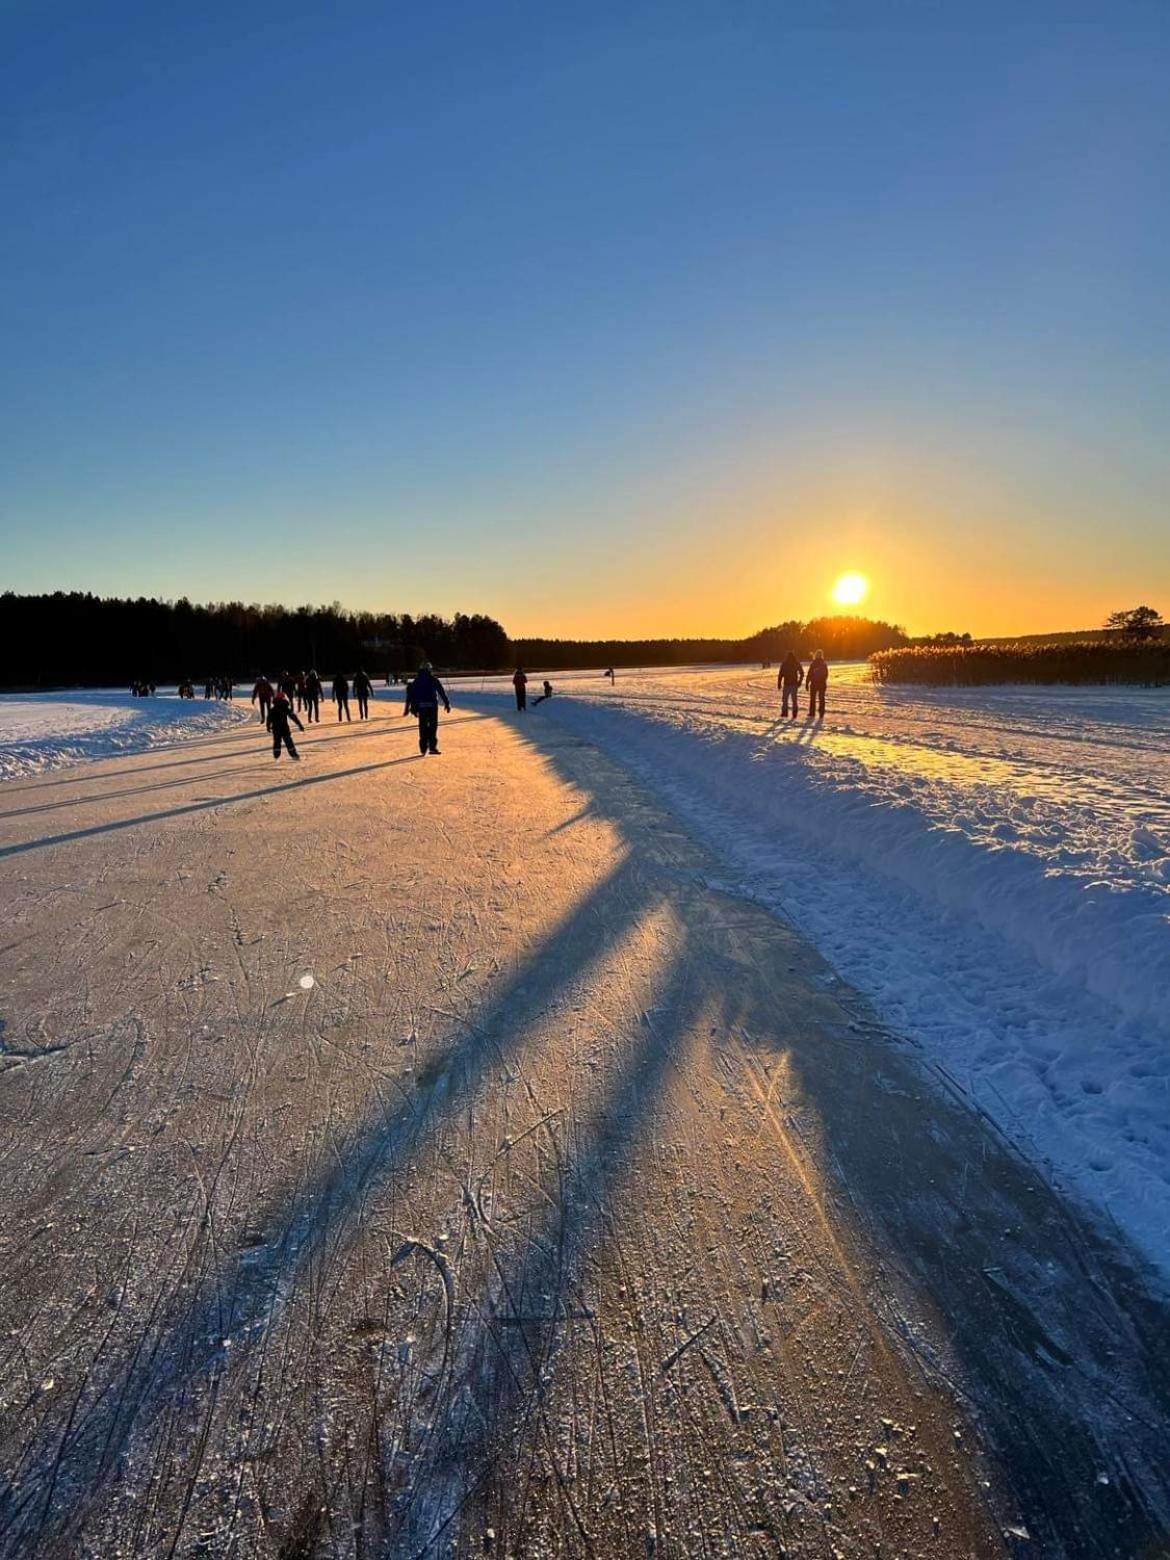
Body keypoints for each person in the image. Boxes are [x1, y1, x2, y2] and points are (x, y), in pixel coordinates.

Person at [404, 662, 450, 755]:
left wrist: (412, 707)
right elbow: (441, 691)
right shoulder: (433, 679)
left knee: (423, 727)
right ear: (430, 669)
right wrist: (446, 703)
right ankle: (432, 747)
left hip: (421, 706)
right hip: (432, 706)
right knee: (433, 726)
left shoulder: (416, 681)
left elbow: (411, 695)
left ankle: (423, 748)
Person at [267, 689, 304, 760]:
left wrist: (268, 726)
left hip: (276, 729)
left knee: (277, 741)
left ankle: (276, 755)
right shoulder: (285, 708)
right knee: (288, 741)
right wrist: (299, 725)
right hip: (284, 728)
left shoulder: (273, 709)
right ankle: (293, 755)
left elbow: (269, 718)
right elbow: (293, 717)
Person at [777, 651, 803, 719]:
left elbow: (780, 675)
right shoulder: (796, 663)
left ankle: (785, 713)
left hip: (787, 684)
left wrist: (779, 683)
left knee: (785, 699)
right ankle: (794, 713)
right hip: (794, 684)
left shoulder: (785, 664)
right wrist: (799, 681)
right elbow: (802, 673)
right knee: (794, 699)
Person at [806, 650, 828, 718]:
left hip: (814, 684)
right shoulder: (823, 663)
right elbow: (826, 674)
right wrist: (823, 680)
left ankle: (812, 713)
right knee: (821, 698)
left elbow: (809, 674)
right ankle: (821, 713)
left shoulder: (813, 664)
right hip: (821, 684)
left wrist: (807, 683)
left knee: (813, 699)